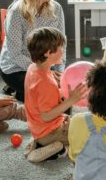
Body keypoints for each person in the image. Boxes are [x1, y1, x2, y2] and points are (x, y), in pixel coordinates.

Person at [0, 0, 66, 102]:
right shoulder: (16, 12)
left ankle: (22, 92)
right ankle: (19, 89)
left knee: (61, 92)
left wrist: (60, 72)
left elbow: (61, 44)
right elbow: (15, 54)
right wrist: (44, 72)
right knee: (46, 93)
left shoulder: (56, 8)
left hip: (46, 64)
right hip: (16, 68)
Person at [24, 27, 87, 163]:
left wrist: (62, 91)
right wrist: (70, 101)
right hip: (50, 131)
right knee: (86, 135)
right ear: (48, 53)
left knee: (79, 121)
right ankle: (56, 148)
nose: (63, 51)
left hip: (38, 128)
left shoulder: (33, 68)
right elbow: (46, 116)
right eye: (60, 48)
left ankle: (39, 141)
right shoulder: (45, 82)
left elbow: (40, 98)